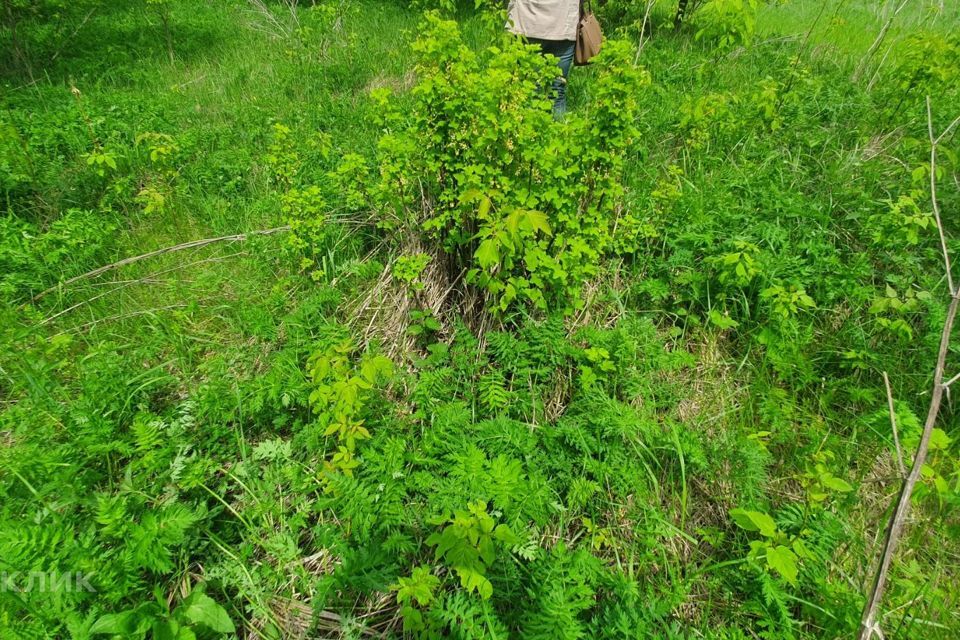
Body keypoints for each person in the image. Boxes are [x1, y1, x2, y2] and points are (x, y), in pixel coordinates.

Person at [506, 0, 580, 117]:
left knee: (529, 88)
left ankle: (528, 131)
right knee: (557, 90)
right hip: (564, 24)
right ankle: (560, 132)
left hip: (527, 23)